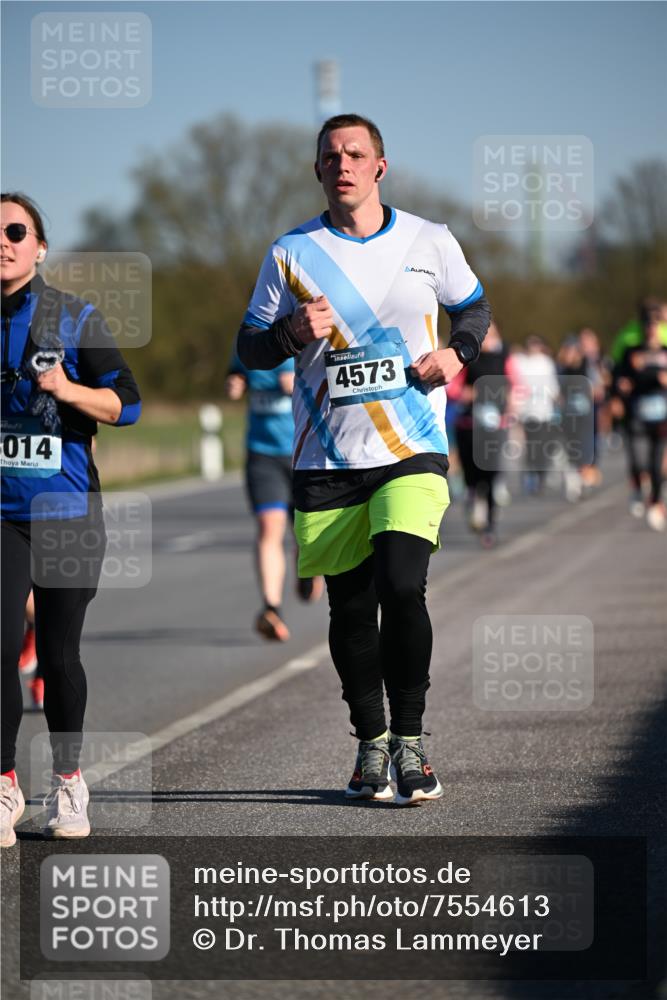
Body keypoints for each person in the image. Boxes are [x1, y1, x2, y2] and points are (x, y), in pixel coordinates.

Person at [236, 114, 490, 805]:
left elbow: (473, 309)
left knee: (403, 585)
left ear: (380, 166)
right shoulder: (290, 252)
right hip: (327, 456)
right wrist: (290, 329)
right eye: (329, 156)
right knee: (350, 608)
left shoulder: (428, 241)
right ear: (317, 170)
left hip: (412, 446)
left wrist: (455, 353)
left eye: (354, 154)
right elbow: (250, 347)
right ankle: (370, 744)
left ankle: (410, 743)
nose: (341, 164)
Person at [1, 193, 141, 847]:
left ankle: (66, 782)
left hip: (66, 511)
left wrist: (67, 389)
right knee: (1, 648)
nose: (3, 241)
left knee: (57, 655)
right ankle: (4, 785)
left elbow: (127, 405)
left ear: (39, 247)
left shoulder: (73, 316)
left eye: (15, 230)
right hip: (1, 515)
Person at [226, 350, 323, 642]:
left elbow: (332, 378)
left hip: (304, 450)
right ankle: (271, 608)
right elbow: (236, 369)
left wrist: (300, 382)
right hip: (262, 452)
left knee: (305, 531)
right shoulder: (250, 335)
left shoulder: (308, 335)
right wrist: (235, 382)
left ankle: (307, 568)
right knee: (269, 527)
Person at [451, 321, 513, 546]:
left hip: (495, 427)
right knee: (472, 475)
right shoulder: (467, 358)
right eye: (485, 336)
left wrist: (512, 402)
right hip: (468, 425)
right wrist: (465, 393)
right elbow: (452, 386)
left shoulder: (504, 358)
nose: (489, 339)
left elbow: (517, 385)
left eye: (493, 334)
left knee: (491, 474)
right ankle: (472, 499)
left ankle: (490, 525)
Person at [613, 301, 667, 530]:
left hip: (661, 415)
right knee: (637, 459)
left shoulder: (664, 352)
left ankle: (655, 501)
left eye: (655, 324)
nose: (651, 329)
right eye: (647, 325)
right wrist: (619, 389)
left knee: (656, 464)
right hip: (637, 413)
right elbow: (619, 378)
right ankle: (636, 485)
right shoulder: (631, 352)